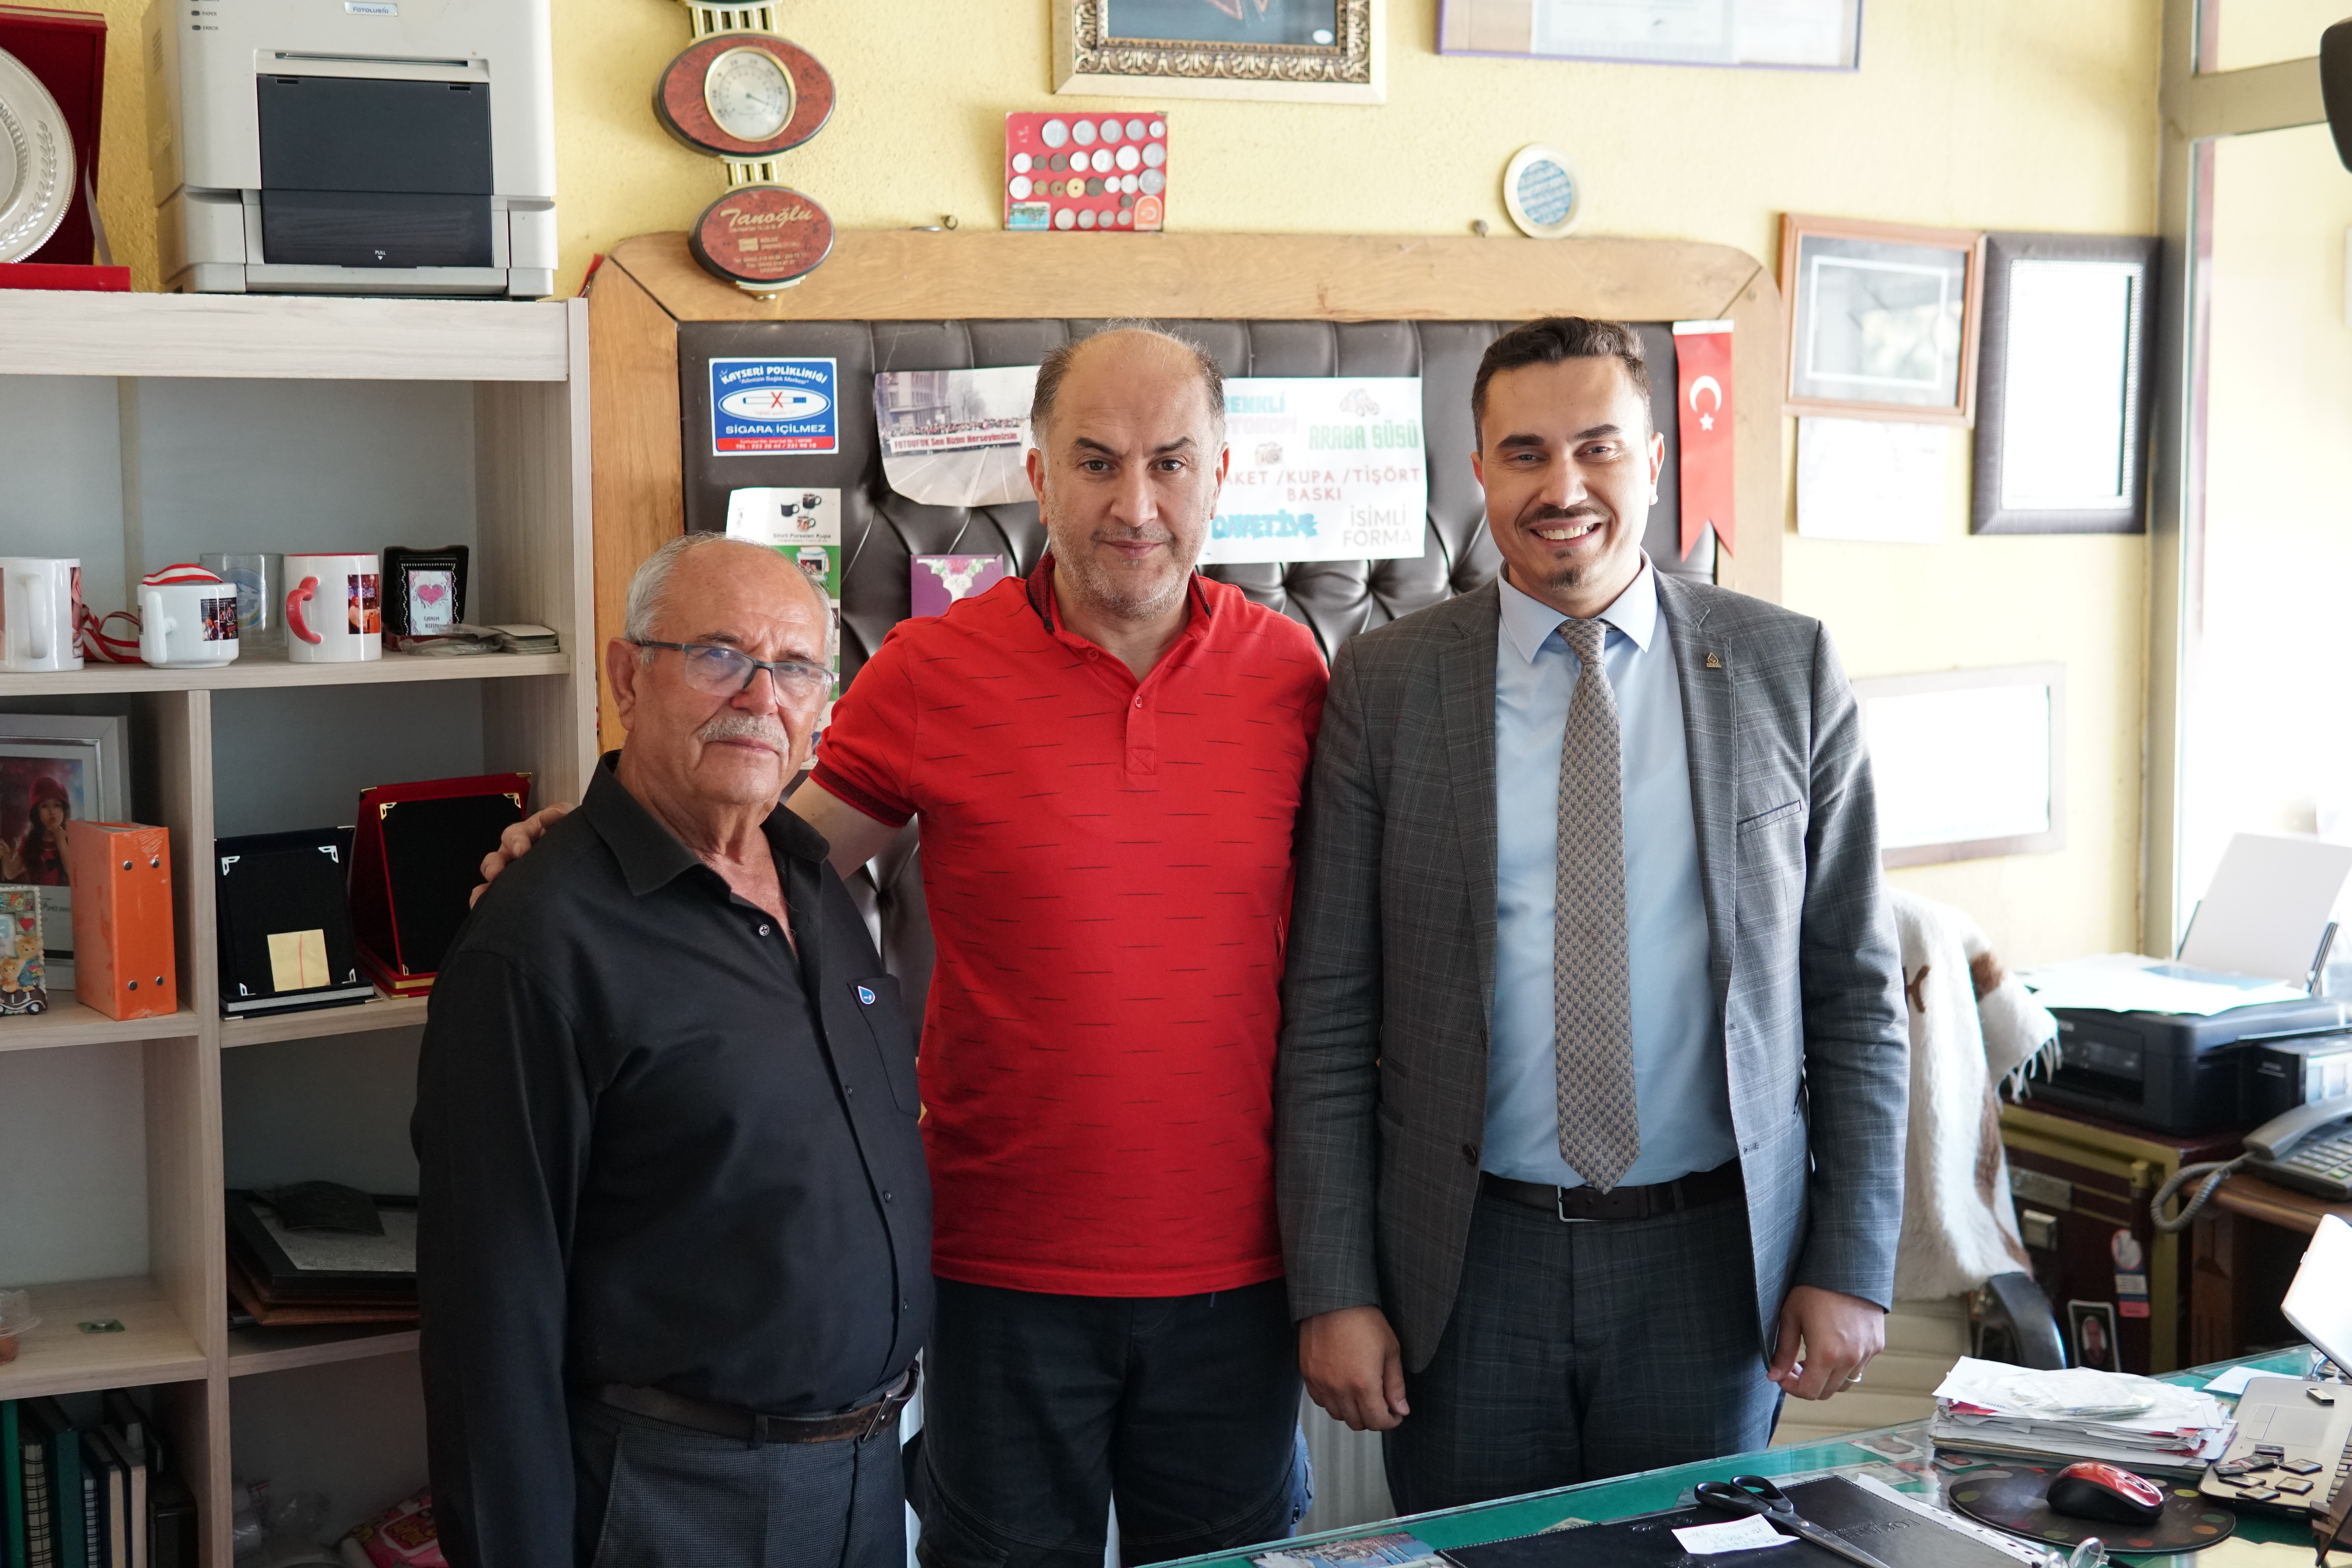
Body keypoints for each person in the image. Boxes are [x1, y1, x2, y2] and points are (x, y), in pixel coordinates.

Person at [480, 325, 1328, 1568]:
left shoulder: (1292, 673)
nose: (1134, 505)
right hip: (995, 1267)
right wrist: (590, 854)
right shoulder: (936, 667)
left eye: (1169, 463)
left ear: (1220, 474)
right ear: (1037, 473)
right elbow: (763, 861)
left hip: (1243, 1273)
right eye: (1095, 462)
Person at [1276, 316, 1909, 1512]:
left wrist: (1849, 1260)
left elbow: (1856, 996)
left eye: (1596, 448)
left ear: (1654, 462)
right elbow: (1328, 1013)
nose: (1560, 487)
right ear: (1478, 472)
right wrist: (1334, 1285)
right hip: (1466, 1263)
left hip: (1711, 1266)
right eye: (1524, 454)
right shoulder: (1387, 685)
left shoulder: (1787, 667)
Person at [414, 535, 930, 1568]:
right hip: (677, 1497)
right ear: (625, 677)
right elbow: (488, 1324)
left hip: (869, 1482)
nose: (761, 697)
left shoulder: (813, 879)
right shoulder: (539, 941)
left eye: (795, 668)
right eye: (719, 656)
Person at [3, 775, 71, 885]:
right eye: (45, 806)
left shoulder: (72, 839)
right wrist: (6, 855)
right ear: (37, 813)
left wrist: (61, 840)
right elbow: (11, 873)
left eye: (57, 805)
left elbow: (73, 872)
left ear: (64, 809)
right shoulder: (31, 842)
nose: (52, 812)